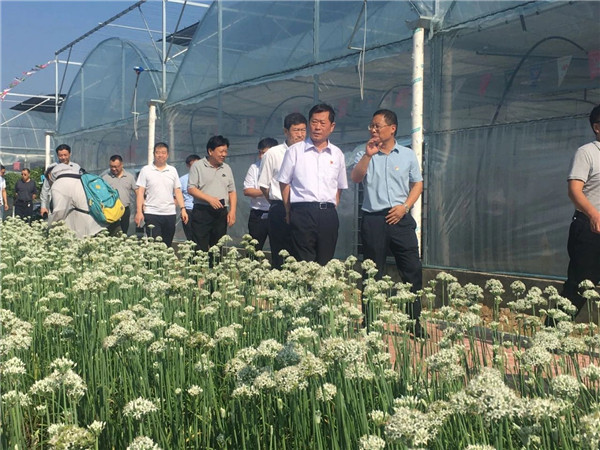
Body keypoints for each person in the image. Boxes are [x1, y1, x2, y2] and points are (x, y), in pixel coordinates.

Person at [351, 109, 425, 336]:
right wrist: (368, 155)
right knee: (372, 272)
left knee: (412, 269)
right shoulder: (363, 152)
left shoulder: (407, 155)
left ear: (392, 129)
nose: (373, 130)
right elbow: (356, 178)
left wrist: (405, 207)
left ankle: (414, 322)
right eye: (371, 126)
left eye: (377, 126)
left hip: (400, 217)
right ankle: (371, 322)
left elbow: (417, 184)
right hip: (374, 219)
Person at [277, 104, 348, 265]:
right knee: (303, 263)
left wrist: (331, 206)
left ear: (332, 126)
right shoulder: (295, 151)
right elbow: (284, 182)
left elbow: (339, 186)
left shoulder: (337, 154)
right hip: (302, 212)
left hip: (328, 214)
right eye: (314, 122)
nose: (317, 127)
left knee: (325, 262)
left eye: (322, 123)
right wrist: (288, 210)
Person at [551, 104, 600, 325]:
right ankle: (553, 332)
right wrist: (593, 214)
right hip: (589, 228)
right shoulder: (587, 153)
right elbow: (574, 190)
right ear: (597, 127)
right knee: (581, 286)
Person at [258, 113, 307, 269]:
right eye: (296, 130)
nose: (300, 134)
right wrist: (277, 203)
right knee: (280, 253)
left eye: (303, 130)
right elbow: (264, 185)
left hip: (303, 208)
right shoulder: (273, 154)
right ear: (286, 131)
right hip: (279, 207)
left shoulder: (310, 152)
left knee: (302, 253)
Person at [188, 135, 237, 252]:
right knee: (199, 248)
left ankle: (215, 264)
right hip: (202, 211)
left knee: (217, 248)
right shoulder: (198, 166)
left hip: (221, 212)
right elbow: (191, 188)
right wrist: (209, 199)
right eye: (221, 151)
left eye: (225, 151)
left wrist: (232, 211)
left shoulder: (226, 168)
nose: (224, 154)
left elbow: (232, 191)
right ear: (210, 151)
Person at [134, 142, 188, 247]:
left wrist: (183, 209)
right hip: (151, 212)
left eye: (163, 153)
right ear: (154, 154)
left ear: (167, 155)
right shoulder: (146, 170)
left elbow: (177, 191)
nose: (160, 155)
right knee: (155, 245)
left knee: (167, 245)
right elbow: (140, 192)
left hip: (169, 213)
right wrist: (139, 211)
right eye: (158, 152)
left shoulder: (172, 170)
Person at [47, 163, 104, 238]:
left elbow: (59, 212)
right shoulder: (78, 177)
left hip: (85, 226)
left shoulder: (59, 184)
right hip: (98, 221)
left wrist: (49, 226)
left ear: (50, 176)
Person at [244, 137, 278, 250]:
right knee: (253, 248)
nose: (261, 156)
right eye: (260, 152)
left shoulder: (281, 167)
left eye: (265, 153)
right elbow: (247, 190)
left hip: (276, 212)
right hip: (258, 213)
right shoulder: (254, 168)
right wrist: (268, 191)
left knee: (279, 247)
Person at [40, 144, 82, 218]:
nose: (63, 157)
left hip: (74, 203)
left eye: (65, 155)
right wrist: (43, 206)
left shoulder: (76, 167)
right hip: (57, 202)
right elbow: (45, 188)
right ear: (57, 155)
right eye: (60, 155)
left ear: (70, 154)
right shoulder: (52, 168)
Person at [102, 155, 137, 235]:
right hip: (111, 210)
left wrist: (139, 208)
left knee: (124, 233)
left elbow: (137, 191)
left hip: (125, 209)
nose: (114, 169)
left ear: (121, 165)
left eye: (116, 166)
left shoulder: (129, 177)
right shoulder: (105, 178)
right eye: (111, 166)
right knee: (111, 233)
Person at [179, 154, 201, 241]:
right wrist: (182, 210)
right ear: (188, 166)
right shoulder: (182, 180)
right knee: (190, 238)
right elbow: (178, 196)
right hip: (189, 210)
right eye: (192, 165)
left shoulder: (206, 178)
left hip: (202, 210)